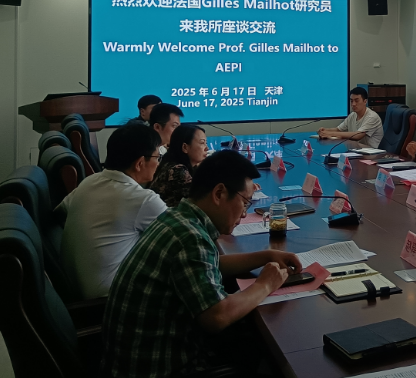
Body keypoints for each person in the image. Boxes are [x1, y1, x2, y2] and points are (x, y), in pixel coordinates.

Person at [101, 150, 300, 378]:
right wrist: (265, 285)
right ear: (219, 193)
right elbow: (217, 317)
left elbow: (210, 265)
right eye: (245, 203)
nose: (244, 214)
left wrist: (265, 256)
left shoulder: (178, 218)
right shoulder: (190, 238)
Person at [56, 125, 167, 300]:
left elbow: (58, 213)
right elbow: (183, 236)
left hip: (73, 291)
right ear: (139, 163)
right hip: (108, 302)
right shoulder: (143, 200)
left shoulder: (89, 182)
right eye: (157, 157)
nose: (159, 163)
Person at [150, 125, 208, 207]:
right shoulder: (177, 171)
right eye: (202, 143)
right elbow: (204, 199)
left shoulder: (172, 164)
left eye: (206, 143)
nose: (207, 148)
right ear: (185, 147)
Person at [318, 87, 384, 148]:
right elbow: (339, 129)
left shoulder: (372, 117)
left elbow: (358, 135)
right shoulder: (352, 115)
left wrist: (329, 134)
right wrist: (325, 130)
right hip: (357, 150)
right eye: (351, 101)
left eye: (356, 101)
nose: (353, 104)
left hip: (372, 153)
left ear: (365, 101)